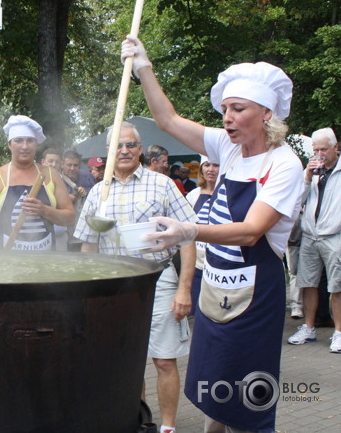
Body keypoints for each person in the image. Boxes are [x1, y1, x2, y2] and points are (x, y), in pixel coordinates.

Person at [122, 36, 303, 432]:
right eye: (224, 109)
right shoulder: (229, 147)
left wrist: (188, 230)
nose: (227, 118)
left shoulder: (284, 164)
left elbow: (252, 232)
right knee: (212, 386)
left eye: (238, 109)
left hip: (255, 292)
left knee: (247, 398)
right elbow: (168, 121)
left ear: (267, 114)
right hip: (213, 288)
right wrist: (143, 67)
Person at [74, 122, 196, 433]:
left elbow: (189, 238)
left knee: (165, 360)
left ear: (140, 150)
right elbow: (88, 244)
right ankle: (139, 423)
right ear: (108, 153)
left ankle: (168, 427)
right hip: (116, 287)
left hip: (159, 278)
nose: (125, 151)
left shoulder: (162, 184)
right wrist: (91, 291)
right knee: (128, 362)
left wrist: (185, 290)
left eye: (130, 145)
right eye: (118, 146)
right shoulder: (97, 193)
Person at [0, 115, 75, 250]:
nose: (25, 146)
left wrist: (44, 210)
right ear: (9, 144)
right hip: (7, 263)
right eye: (18, 140)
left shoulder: (51, 175)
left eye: (30, 141)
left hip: (45, 263)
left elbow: (70, 218)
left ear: (36, 144)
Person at [287, 127, 341, 352]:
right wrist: (307, 177)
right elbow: (296, 200)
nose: (320, 154)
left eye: (324, 149)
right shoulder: (312, 171)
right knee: (307, 283)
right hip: (310, 235)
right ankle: (309, 328)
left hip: (334, 234)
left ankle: (338, 332)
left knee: (336, 286)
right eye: (316, 150)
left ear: (336, 148)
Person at [184, 157, 220, 314]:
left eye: (215, 165)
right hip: (198, 263)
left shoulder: (227, 194)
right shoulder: (194, 195)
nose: (210, 169)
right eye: (207, 165)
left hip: (219, 263)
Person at [61, 149, 94, 251]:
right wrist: (65, 198)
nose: (72, 168)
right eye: (69, 165)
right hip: (63, 235)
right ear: (62, 164)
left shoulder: (87, 177)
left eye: (75, 165)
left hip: (85, 234)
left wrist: (86, 193)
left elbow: (96, 197)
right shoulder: (55, 179)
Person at [41, 147, 69, 251]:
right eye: (50, 161)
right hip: (41, 234)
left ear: (61, 164)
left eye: (56, 162)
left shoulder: (65, 181)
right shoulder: (34, 180)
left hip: (60, 232)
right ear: (43, 162)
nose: (53, 164)